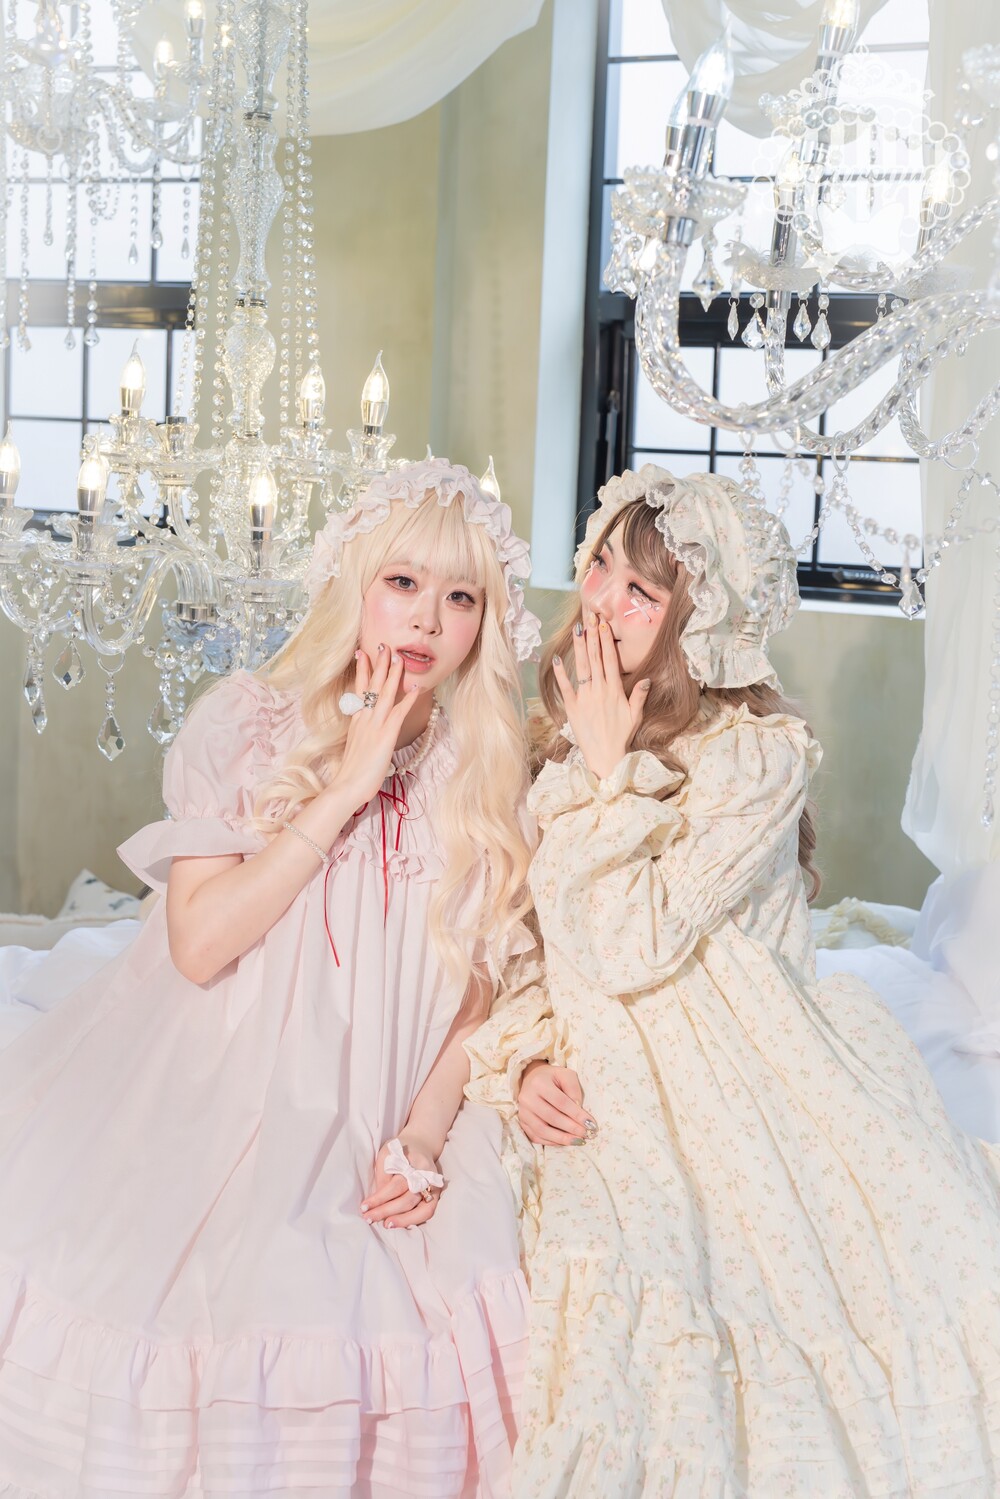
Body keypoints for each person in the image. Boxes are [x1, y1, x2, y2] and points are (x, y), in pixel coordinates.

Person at [0, 457, 540, 1499]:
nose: (426, 618)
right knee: (204, 1293)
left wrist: (426, 1134)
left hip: (391, 1110)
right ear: (354, 582)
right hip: (229, 1083)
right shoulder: (247, 723)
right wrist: (345, 786)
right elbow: (200, 945)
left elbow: (482, 988)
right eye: (402, 582)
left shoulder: (487, 768)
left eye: (461, 596)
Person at [467, 464, 1000, 1497]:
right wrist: (525, 1057)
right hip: (605, 1058)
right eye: (602, 569)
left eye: (642, 592)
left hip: (741, 1056)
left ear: (699, 619)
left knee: (800, 1300)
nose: (604, 604)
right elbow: (534, 941)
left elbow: (630, 941)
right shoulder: (560, 736)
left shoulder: (756, 758)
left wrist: (609, 771)